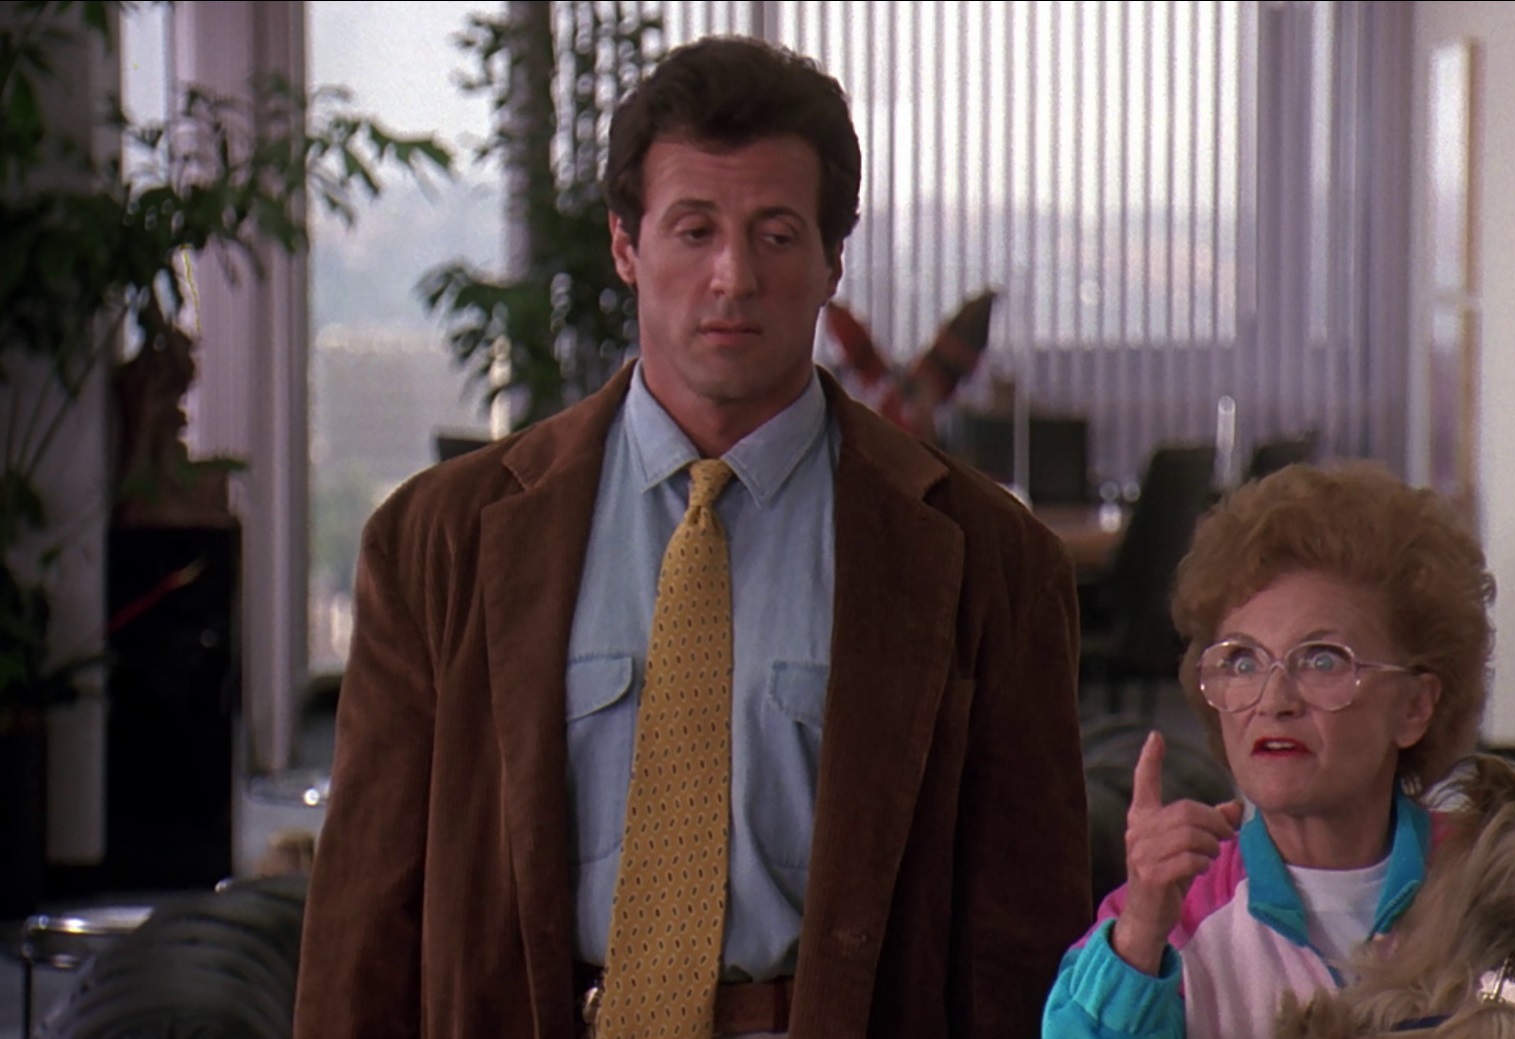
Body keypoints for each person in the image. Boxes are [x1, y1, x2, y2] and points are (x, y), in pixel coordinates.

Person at [295, 36, 1091, 1039]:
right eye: (694, 229)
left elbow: (1021, 949)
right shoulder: (439, 542)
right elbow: (365, 920)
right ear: (626, 247)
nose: (732, 277)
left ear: (832, 260)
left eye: (775, 234)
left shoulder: (985, 559)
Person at [1042, 461, 1496, 1038]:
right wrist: (1141, 936)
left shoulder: (1497, 878)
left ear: (1415, 706)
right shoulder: (1171, 913)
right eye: (1242, 661)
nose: (1274, 700)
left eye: (1323, 660)